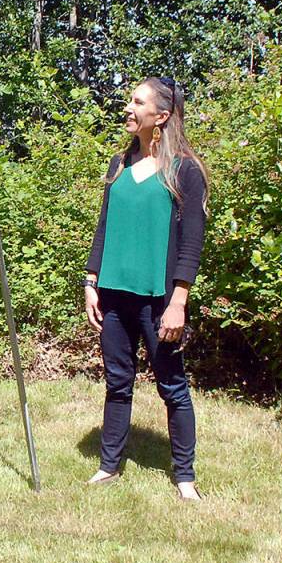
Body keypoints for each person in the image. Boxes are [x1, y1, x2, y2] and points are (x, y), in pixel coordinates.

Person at [83, 76, 209, 501]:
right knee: (118, 382)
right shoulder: (118, 164)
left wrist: (179, 302)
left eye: (138, 102)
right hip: (114, 295)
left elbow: (191, 242)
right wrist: (91, 280)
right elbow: (104, 226)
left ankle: (185, 477)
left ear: (162, 115)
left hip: (159, 301)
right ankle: (109, 466)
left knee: (172, 386)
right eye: (130, 101)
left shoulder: (185, 170)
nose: (128, 108)